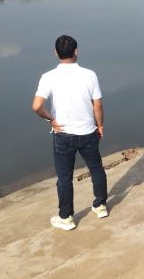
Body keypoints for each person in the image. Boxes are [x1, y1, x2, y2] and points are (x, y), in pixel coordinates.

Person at [31, 35, 108, 231]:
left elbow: (37, 106)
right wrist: (100, 125)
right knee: (96, 169)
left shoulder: (49, 77)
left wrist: (51, 120)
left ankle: (66, 218)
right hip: (88, 132)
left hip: (63, 134)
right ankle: (100, 206)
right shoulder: (89, 75)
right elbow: (97, 105)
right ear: (76, 51)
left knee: (64, 177)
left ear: (56, 53)